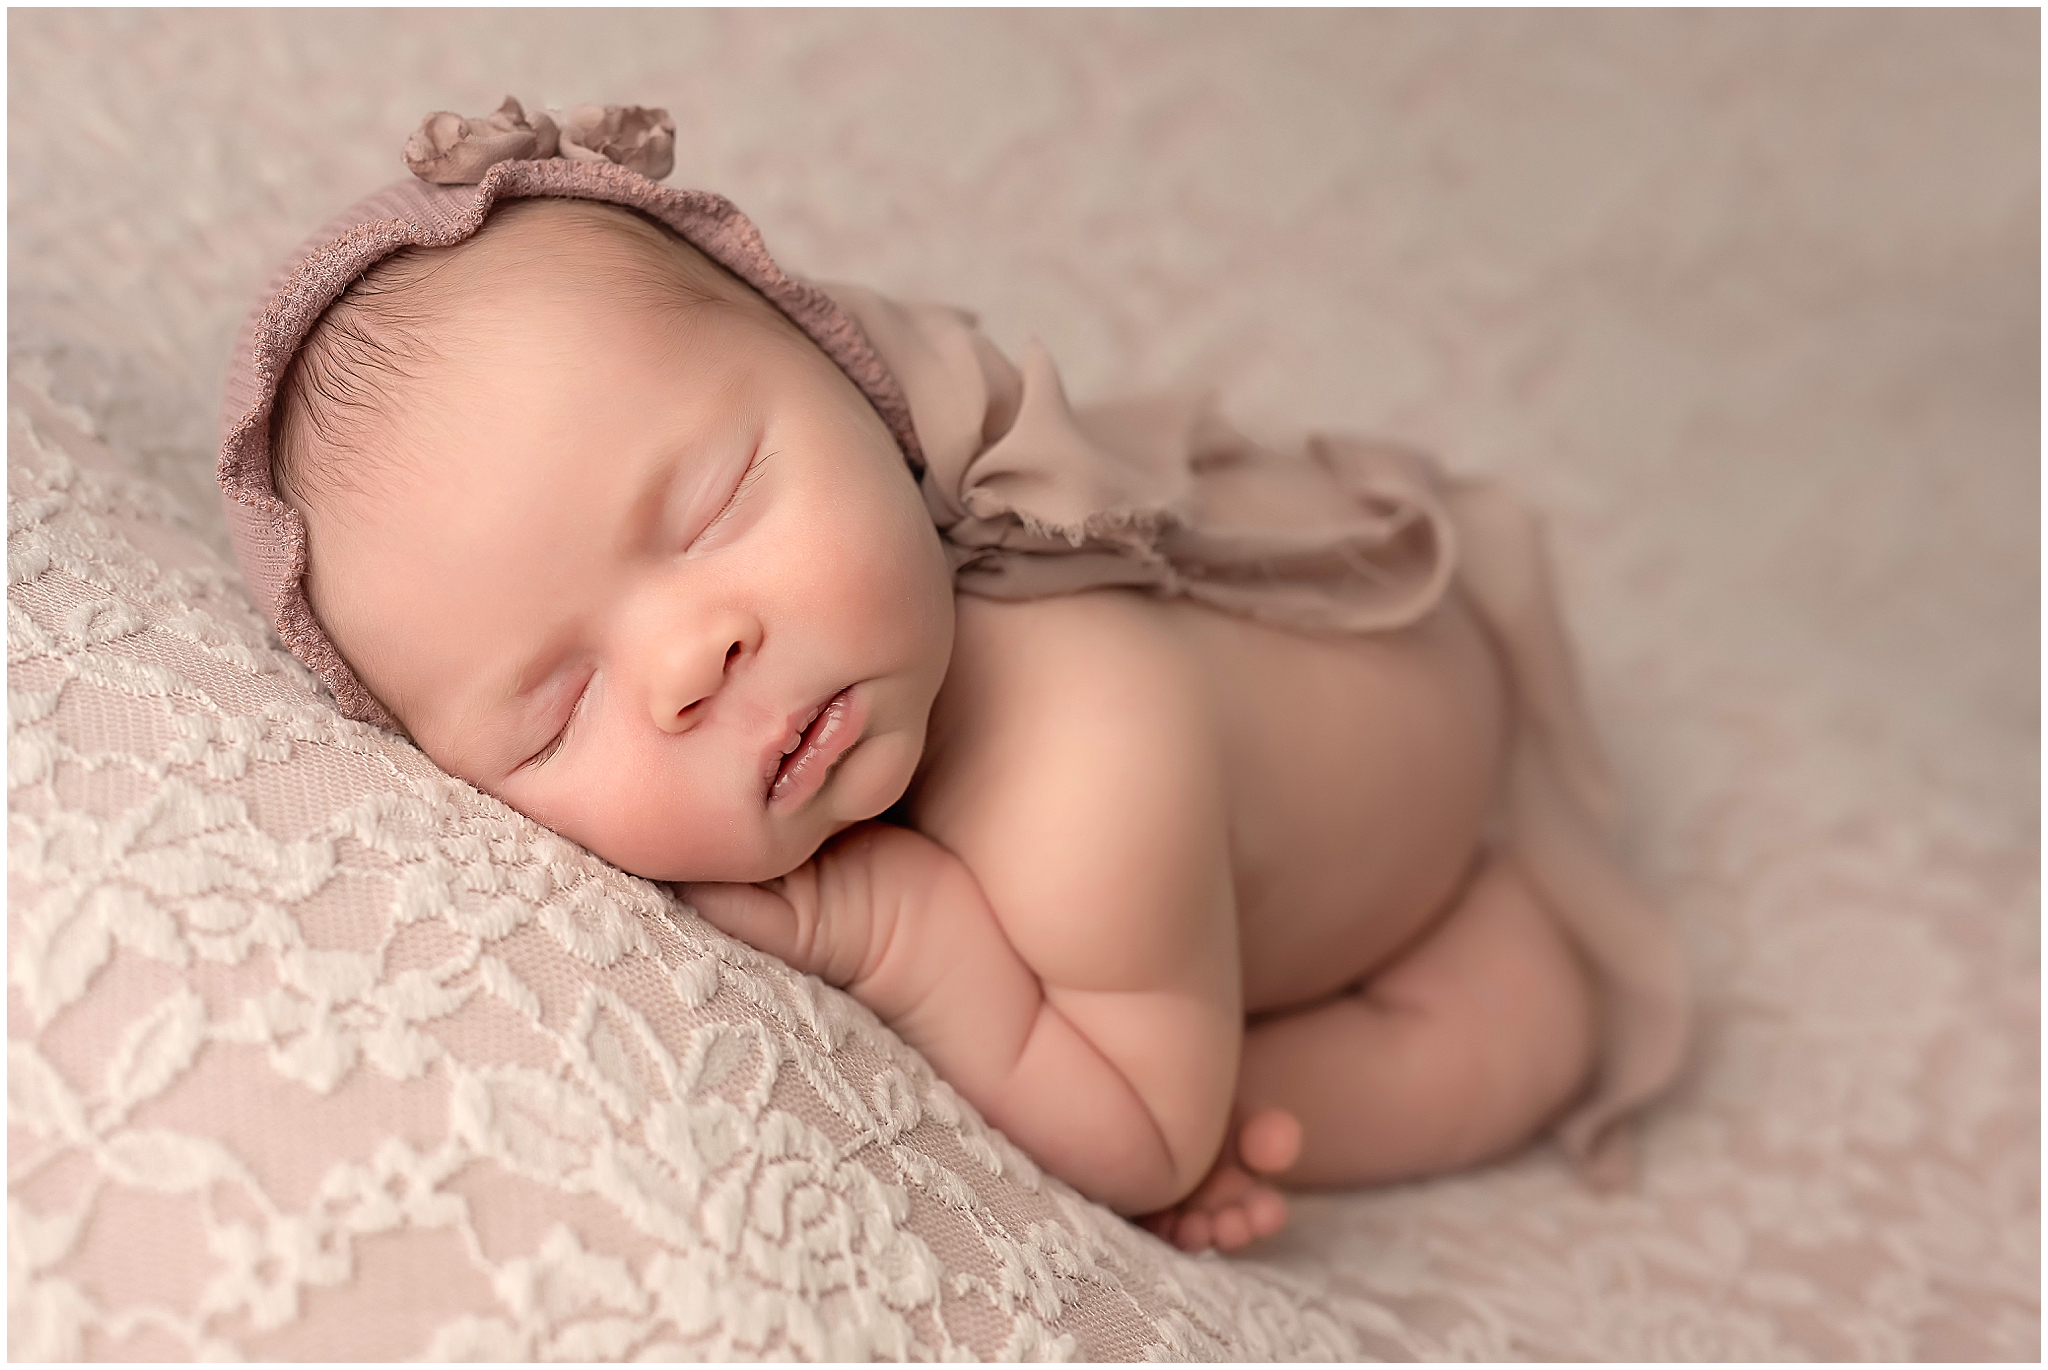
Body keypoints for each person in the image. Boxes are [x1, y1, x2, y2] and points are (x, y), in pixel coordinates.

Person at [219, 98, 1688, 1254]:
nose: (685, 660)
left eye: (716, 504)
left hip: (1425, 761)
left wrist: (899, 934)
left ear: (854, 384)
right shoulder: (826, 666)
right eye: (557, 709)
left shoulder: (1080, 747)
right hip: (1189, 851)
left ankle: (1327, 1023)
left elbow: (1143, 1138)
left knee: (1514, 1029)